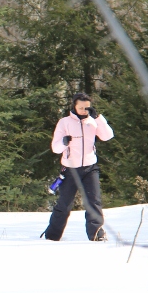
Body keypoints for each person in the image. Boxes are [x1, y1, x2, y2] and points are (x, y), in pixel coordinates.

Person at [42, 92, 114, 241]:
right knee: (65, 204)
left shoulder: (93, 122)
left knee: (94, 201)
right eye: (81, 107)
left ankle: (97, 234)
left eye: (87, 108)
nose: (84, 111)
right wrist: (64, 142)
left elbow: (107, 136)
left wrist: (98, 118)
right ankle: (52, 236)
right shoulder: (64, 122)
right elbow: (55, 148)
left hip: (90, 167)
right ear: (74, 106)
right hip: (70, 169)